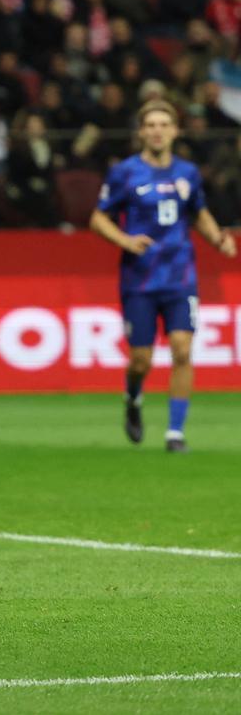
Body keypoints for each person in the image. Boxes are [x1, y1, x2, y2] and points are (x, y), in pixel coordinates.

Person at [90, 100, 236, 452]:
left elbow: (198, 213)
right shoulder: (125, 173)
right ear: (141, 132)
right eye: (150, 124)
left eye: (163, 124)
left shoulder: (187, 173)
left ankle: (175, 432)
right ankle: (133, 397)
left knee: (182, 350)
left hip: (180, 275)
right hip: (139, 279)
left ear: (174, 131)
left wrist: (217, 238)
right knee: (141, 359)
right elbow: (98, 219)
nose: (157, 130)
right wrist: (124, 239)